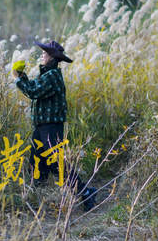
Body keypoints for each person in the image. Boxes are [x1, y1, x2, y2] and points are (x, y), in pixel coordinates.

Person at [13, 40, 97, 211]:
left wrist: (18, 79)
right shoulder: (47, 75)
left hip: (50, 126)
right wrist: (22, 77)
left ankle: (86, 191)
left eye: (44, 53)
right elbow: (36, 88)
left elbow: (33, 92)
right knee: (38, 162)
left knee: (56, 163)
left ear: (51, 57)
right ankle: (37, 198)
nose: (42, 55)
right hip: (43, 126)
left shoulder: (52, 76)